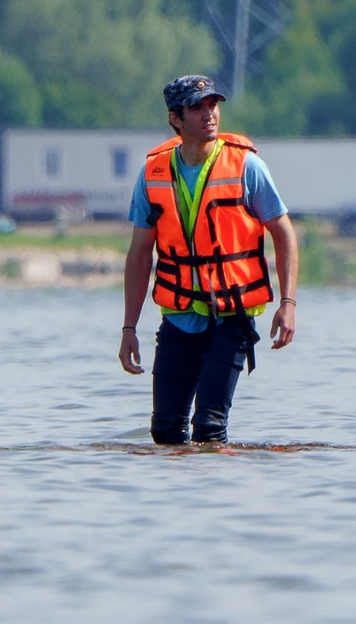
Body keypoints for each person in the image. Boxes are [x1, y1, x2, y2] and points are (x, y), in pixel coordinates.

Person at [118, 75, 301, 445]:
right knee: (165, 431)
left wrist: (288, 303)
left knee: (209, 426)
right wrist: (128, 329)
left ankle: (217, 482)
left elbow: (284, 233)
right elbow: (139, 255)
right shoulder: (153, 174)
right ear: (175, 118)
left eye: (213, 105)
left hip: (231, 316)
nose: (210, 114)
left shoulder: (246, 166)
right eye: (197, 108)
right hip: (179, 316)